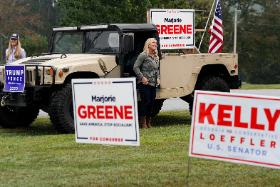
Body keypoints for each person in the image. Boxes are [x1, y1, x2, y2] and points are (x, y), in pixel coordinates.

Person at [133, 38, 160, 128]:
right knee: (146, 102)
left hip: (153, 83)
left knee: (152, 103)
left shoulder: (156, 56)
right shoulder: (143, 55)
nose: (155, 44)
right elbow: (135, 67)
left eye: (156, 43)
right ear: (148, 44)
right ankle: (143, 122)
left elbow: (157, 69)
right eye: (153, 42)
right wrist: (142, 77)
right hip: (144, 83)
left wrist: (158, 78)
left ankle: (148, 122)